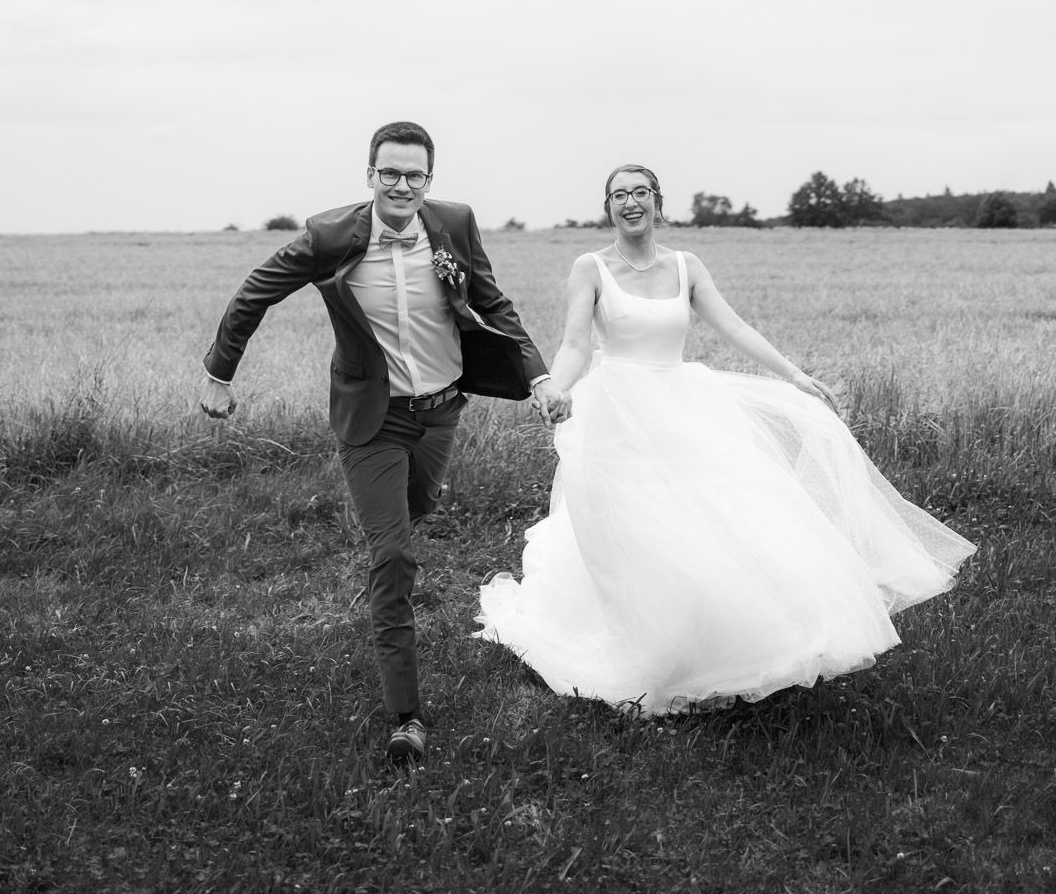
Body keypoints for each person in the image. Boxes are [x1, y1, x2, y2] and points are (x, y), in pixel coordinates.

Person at [476, 164, 975, 716]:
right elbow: (575, 343)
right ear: (608, 207)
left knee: (708, 522)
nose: (630, 202)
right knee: (634, 528)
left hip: (681, 406)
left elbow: (734, 327)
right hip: (616, 412)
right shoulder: (589, 267)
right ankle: (642, 648)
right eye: (619, 195)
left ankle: (714, 645)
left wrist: (795, 376)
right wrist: (556, 388)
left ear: (657, 201)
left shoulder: (686, 265)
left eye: (640, 192)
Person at [200, 122, 570, 762]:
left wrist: (537, 377)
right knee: (394, 556)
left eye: (414, 174)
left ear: (430, 179)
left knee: (414, 510)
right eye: (389, 173)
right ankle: (406, 717)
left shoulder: (454, 224)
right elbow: (254, 292)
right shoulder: (329, 237)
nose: (402, 185)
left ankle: (390, 536)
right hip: (373, 420)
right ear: (370, 175)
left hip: (442, 412)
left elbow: (493, 303)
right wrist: (218, 374)